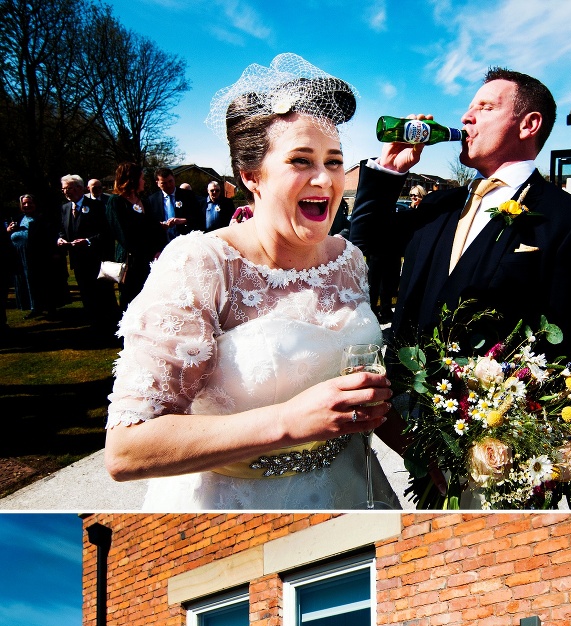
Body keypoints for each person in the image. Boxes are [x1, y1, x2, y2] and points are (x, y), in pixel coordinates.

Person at [104, 53, 396, 511]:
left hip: (355, 488)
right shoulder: (202, 263)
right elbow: (127, 448)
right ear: (250, 176)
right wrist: (287, 421)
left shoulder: (350, 259)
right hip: (234, 503)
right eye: (301, 160)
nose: (325, 178)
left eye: (335, 161)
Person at [350, 68, 571, 403]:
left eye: (485, 108)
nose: (466, 117)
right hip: (403, 404)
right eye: (469, 108)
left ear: (529, 124)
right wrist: (390, 169)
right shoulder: (437, 204)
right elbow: (367, 242)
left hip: (482, 424)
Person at [58, 174, 119, 332]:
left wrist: (88, 240)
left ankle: (112, 325)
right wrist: (61, 239)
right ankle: (95, 324)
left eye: (68, 188)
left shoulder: (96, 206)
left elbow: (106, 232)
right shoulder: (65, 208)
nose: (65, 192)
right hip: (78, 261)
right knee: (86, 294)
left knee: (104, 295)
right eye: (63, 189)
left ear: (79, 188)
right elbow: (63, 230)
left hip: (96, 259)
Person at [105, 162, 166, 310]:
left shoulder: (144, 202)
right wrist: (148, 252)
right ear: (132, 179)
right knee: (131, 301)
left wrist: (158, 250)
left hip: (149, 261)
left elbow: (155, 228)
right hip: (131, 262)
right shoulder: (116, 202)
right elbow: (124, 235)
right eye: (142, 178)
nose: (144, 181)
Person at [6, 194, 59, 315]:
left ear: (35, 204)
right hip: (19, 257)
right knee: (25, 283)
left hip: (38, 257)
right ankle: (33, 307)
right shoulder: (17, 218)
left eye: (29, 203)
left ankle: (49, 308)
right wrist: (8, 231)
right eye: (24, 203)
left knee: (41, 283)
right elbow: (9, 235)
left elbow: (51, 236)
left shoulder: (43, 218)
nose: (27, 205)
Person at [146, 167, 203, 244]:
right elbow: (150, 224)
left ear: (174, 178)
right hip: (164, 243)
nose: (168, 185)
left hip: (187, 241)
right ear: (157, 183)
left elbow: (199, 218)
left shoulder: (188, 195)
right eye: (164, 183)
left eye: (170, 181)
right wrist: (160, 225)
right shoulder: (152, 200)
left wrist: (183, 220)